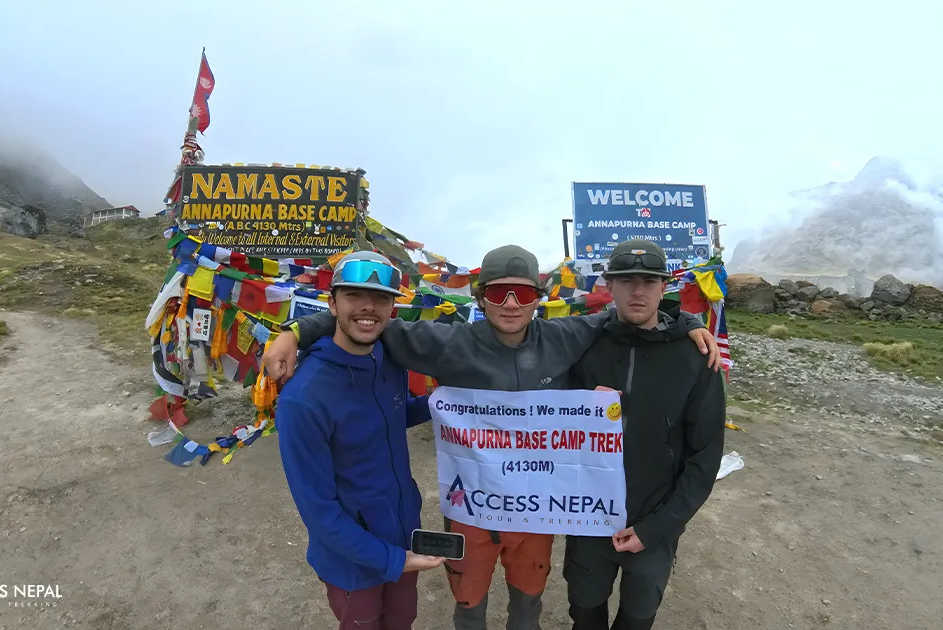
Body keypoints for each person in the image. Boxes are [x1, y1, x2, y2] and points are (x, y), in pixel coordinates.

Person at [266, 244, 721, 630]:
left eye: (521, 293)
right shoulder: (447, 344)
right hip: (472, 509)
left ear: (538, 300)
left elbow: (633, 315)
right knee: (470, 604)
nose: (509, 303)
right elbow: (366, 319)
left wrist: (687, 325)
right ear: (481, 299)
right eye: (497, 293)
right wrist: (293, 332)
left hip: (538, 510)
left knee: (528, 602)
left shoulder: (566, 336)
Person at [275, 251, 446, 630]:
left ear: (393, 309)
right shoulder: (303, 399)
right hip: (351, 561)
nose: (369, 307)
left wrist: (441, 403)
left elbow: (390, 415)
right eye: (353, 295)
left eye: (382, 298)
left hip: (403, 532)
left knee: (402, 621)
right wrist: (394, 561)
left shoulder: (388, 358)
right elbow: (320, 514)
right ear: (332, 303)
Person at [564, 240, 727, 630]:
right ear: (609, 285)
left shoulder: (694, 357)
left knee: (637, 618)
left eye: (649, 282)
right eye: (627, 281)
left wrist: (660, 526)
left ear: (664, 286)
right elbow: (546, 410)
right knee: (585, 612)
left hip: (655, 519)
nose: (638, 291)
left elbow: (705, 458)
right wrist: (580, 402)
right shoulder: (582, 344)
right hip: (589, 519)